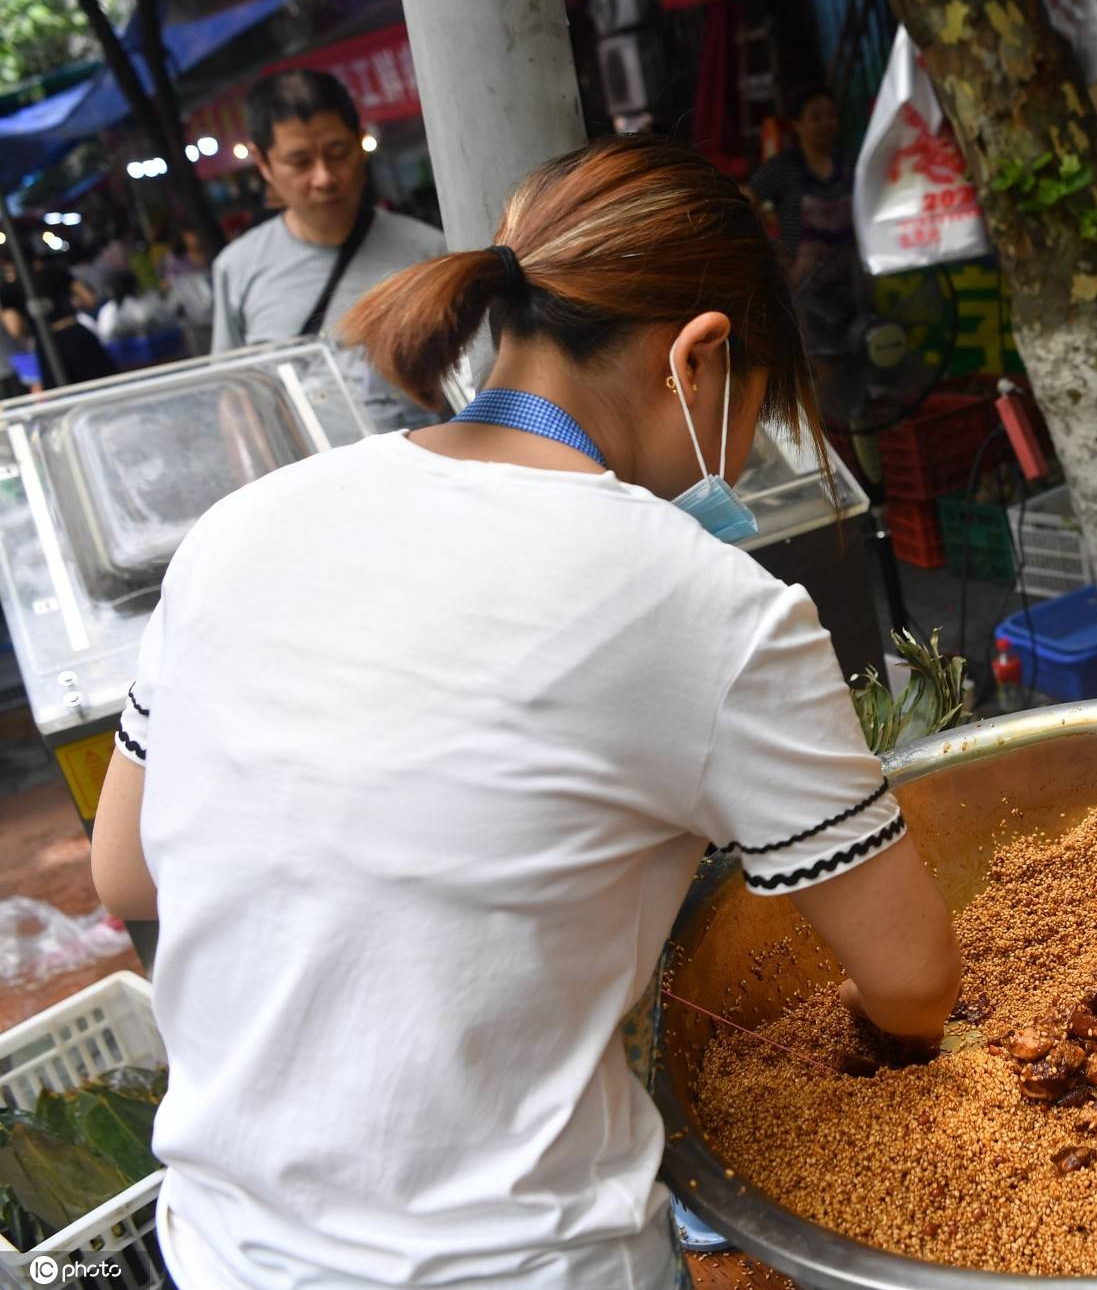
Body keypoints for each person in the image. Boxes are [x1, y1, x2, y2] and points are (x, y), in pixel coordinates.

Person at [89, 137, 961, 1288]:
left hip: (220, 1249)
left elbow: (125, 872)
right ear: (699, 358)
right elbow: (912, 978)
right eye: (759, 413)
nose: (742, 461)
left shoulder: (241, 524)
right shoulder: (706, 602)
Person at [211, 69, 445, 430]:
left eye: (337, 153)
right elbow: (234, 401)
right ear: (263, 164)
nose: (324, 178)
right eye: (299, 162)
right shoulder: (236, 267)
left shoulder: (430, 253)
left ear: (360, 144)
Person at [746, 87, 857, 363]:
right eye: (816, 117)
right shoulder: (784, 167)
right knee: (818, 360)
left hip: (852, 283)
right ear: (797, 125)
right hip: (805, 289)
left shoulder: (849, 164)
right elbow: (745, 201)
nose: (826, 124)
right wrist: (768, 251)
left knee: (855, 353)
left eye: (831, 116)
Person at [0, 263, 117, 392]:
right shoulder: (56, 270)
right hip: (76, 333)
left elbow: (15, 329)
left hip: (47, 344)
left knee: (61, 395)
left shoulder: (10, 288)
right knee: (103, 387)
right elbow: (89, 299)